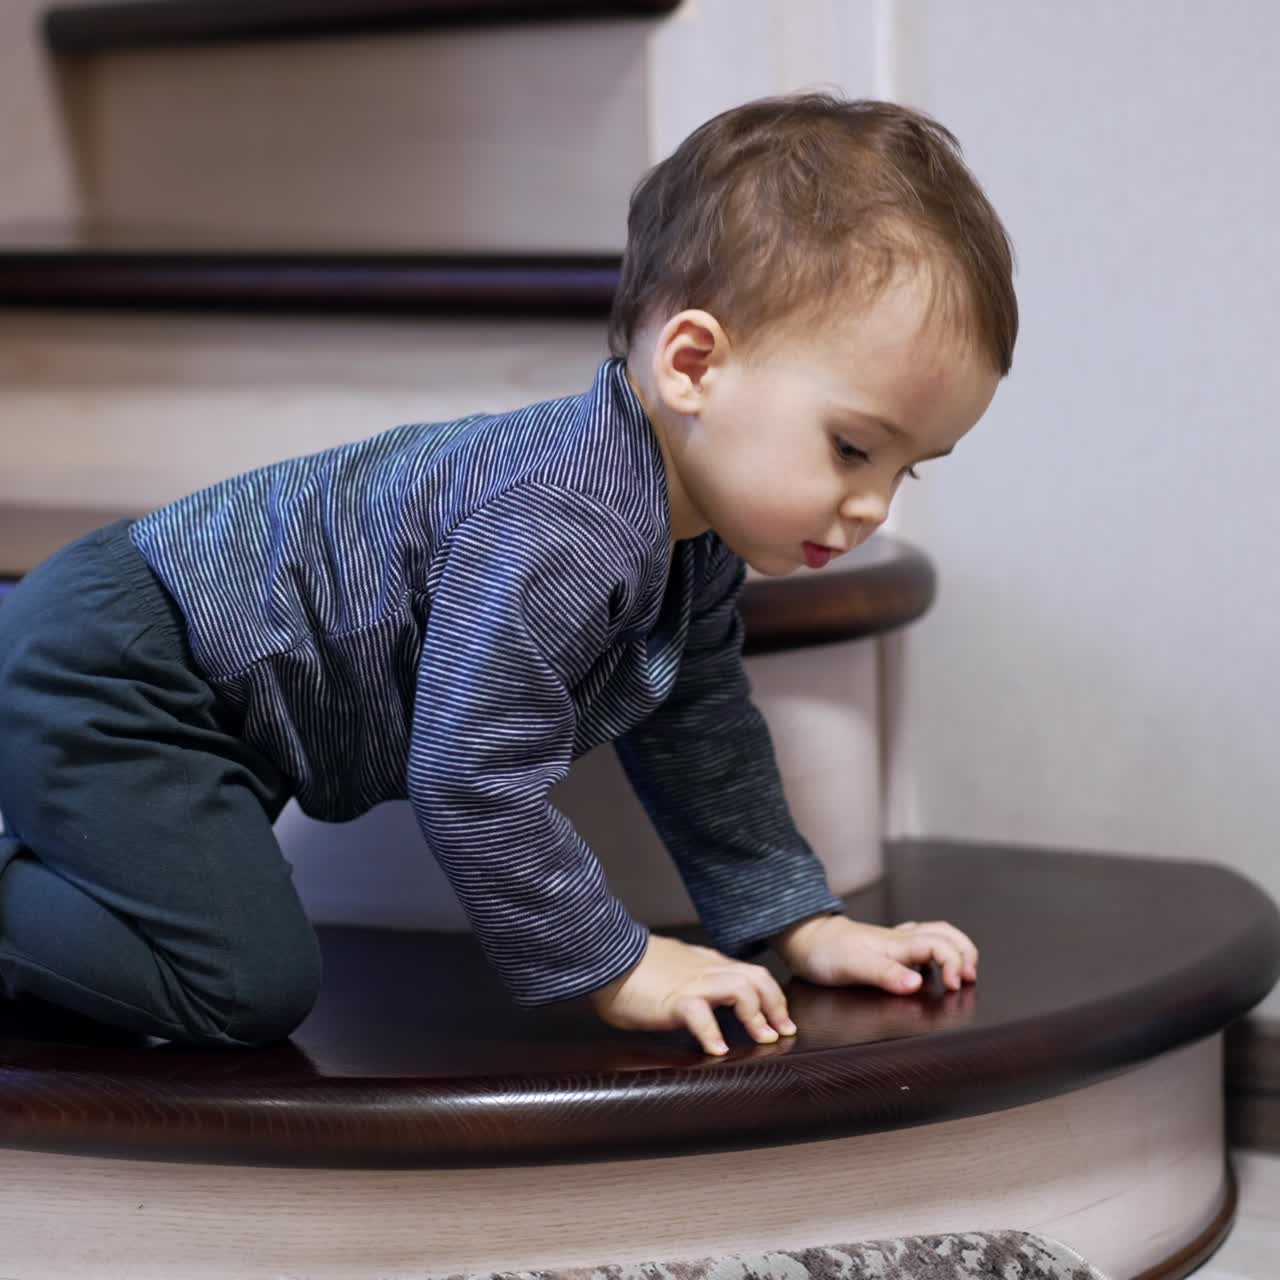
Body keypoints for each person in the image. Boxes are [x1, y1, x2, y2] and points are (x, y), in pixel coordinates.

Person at [0, 93, 1015, 1056]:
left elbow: (697, 727)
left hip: (206, 702)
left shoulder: (686, 536)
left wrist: (797, 919)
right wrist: (613, 962)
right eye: (851, 448)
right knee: (241, 981)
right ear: (693, 365)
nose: (876, 504)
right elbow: (468, 771)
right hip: (125, 672)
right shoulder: (564, 522)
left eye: (905, 466)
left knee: (154, 961)